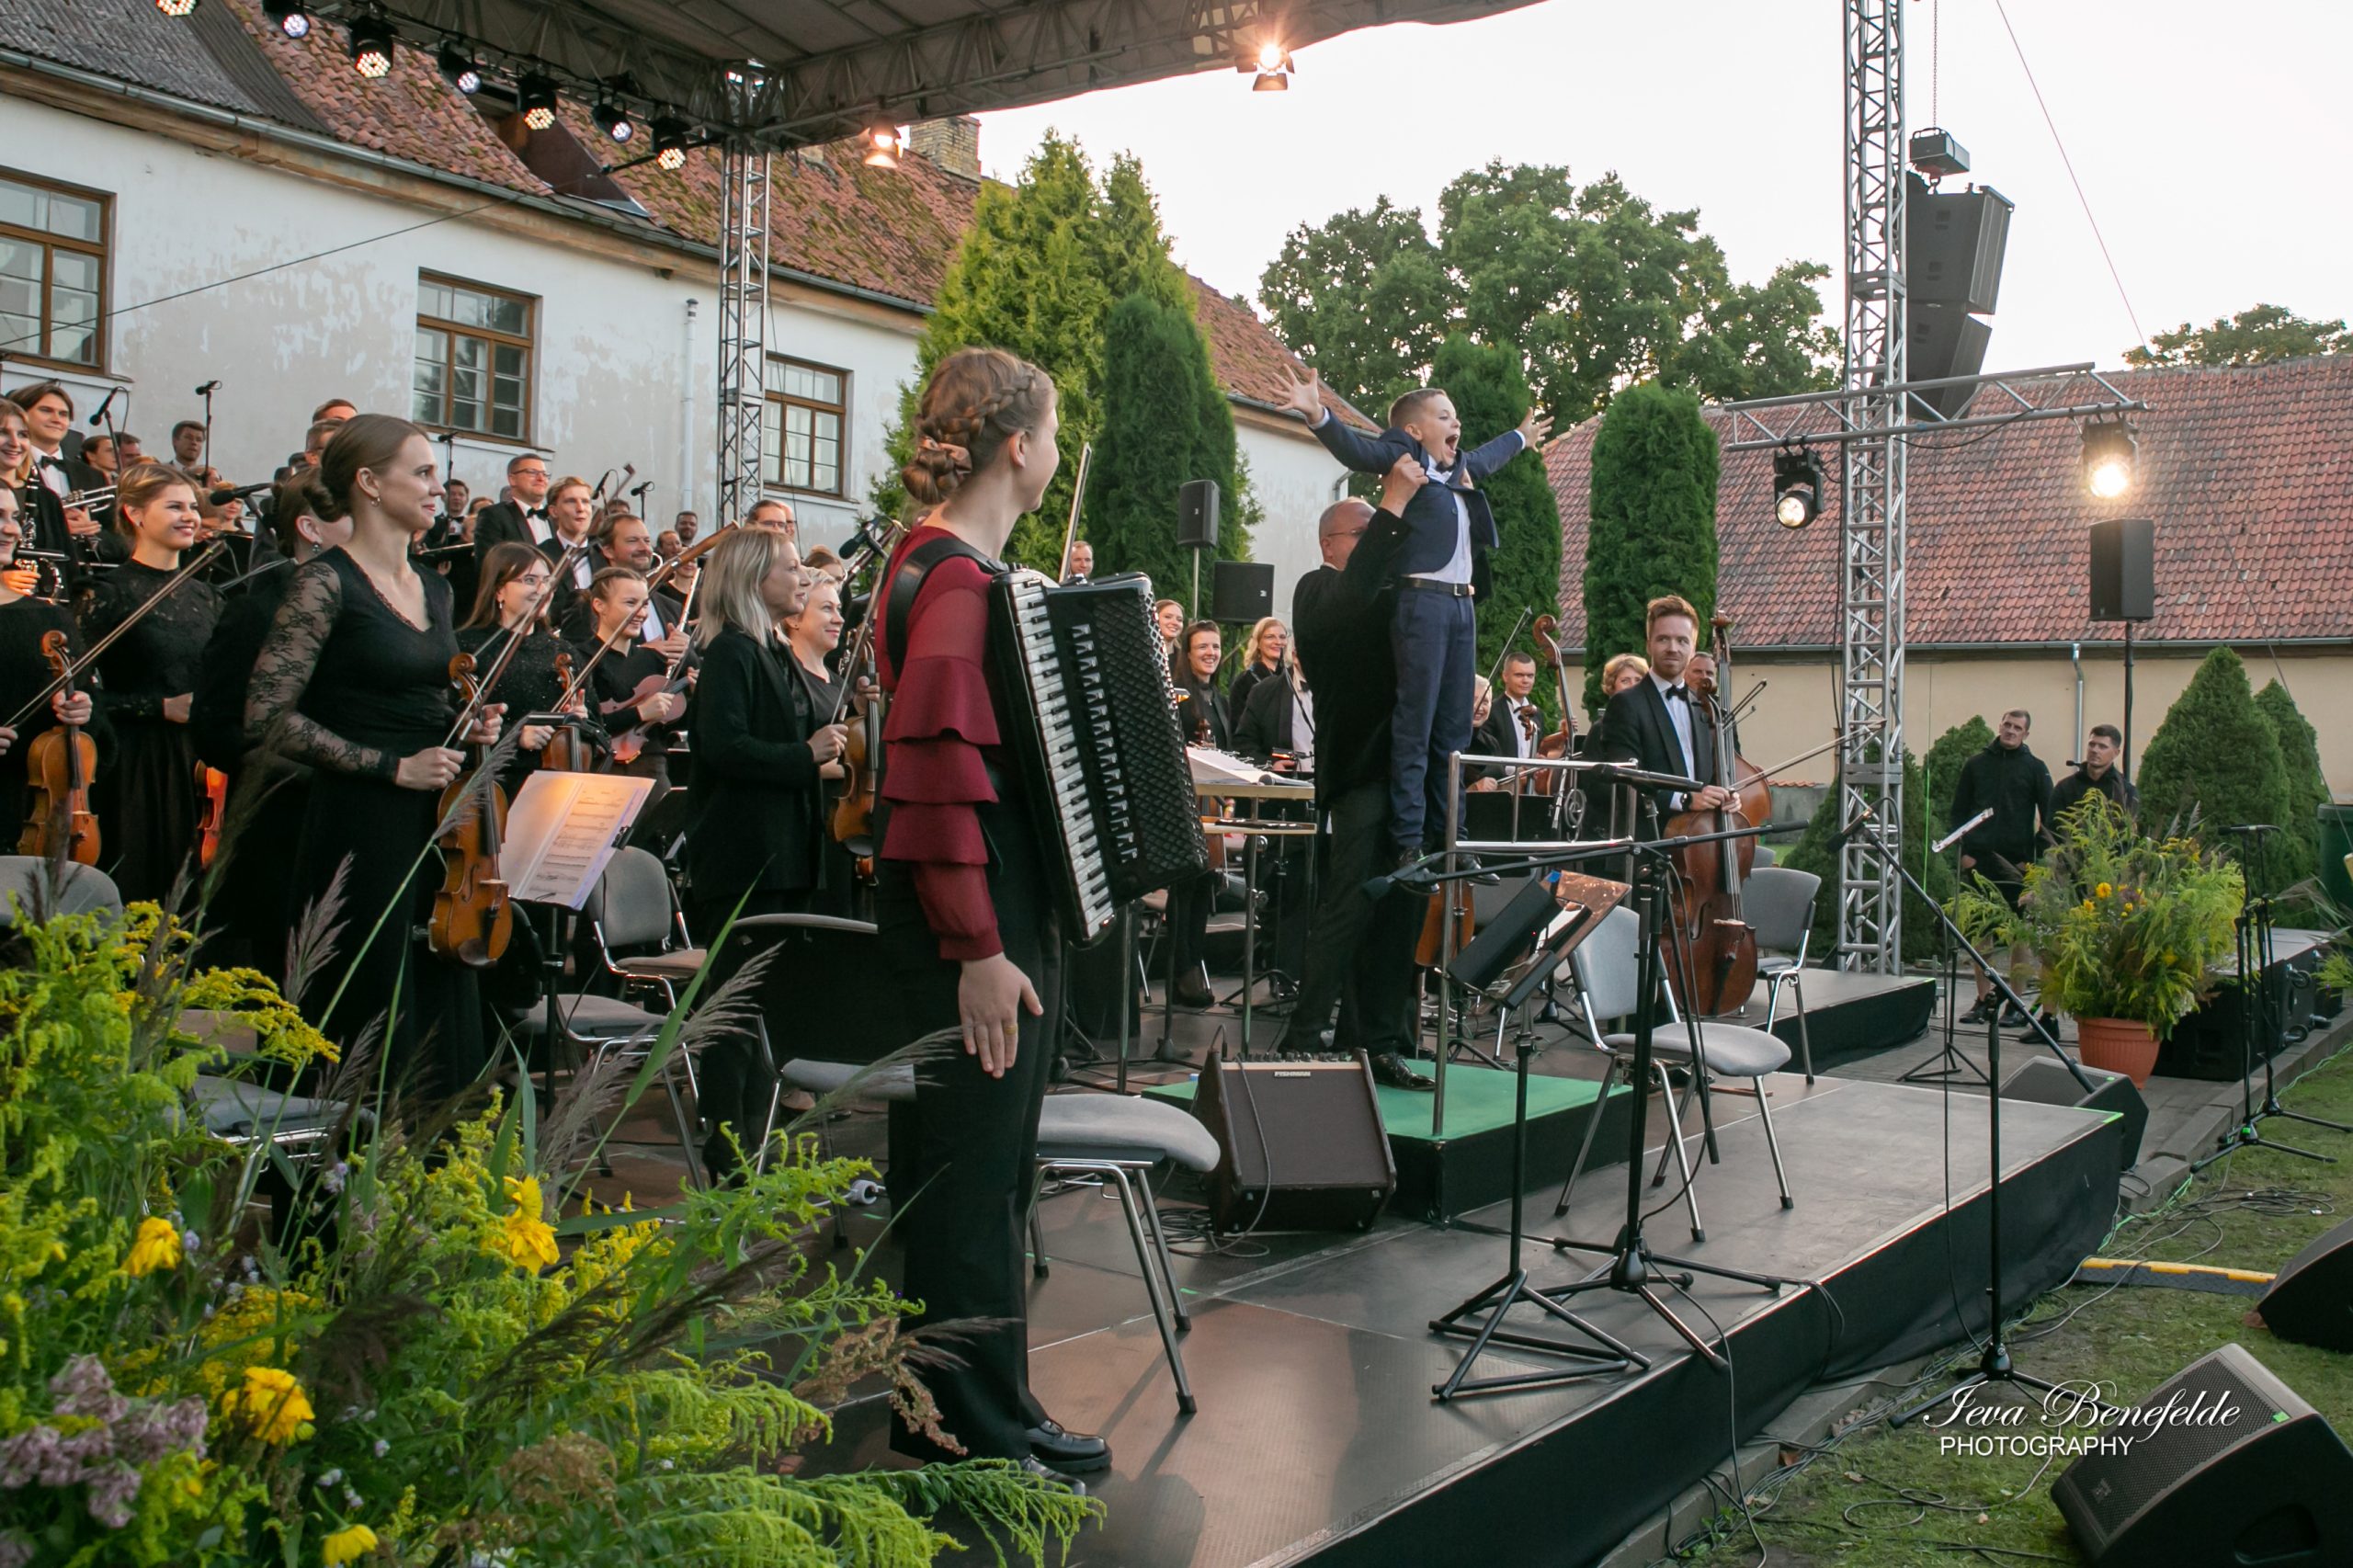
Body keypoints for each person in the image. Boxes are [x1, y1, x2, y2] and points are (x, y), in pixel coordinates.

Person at [870, 346, 1102, 1484]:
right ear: (1020, 447)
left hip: (986, 906)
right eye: (1051, 432)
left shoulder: (940, 563)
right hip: (975, 918)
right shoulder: (958, 581)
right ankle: (961, 1432)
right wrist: (979, 948)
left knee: (993, 1174)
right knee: (971, 1184)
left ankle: (991, 1406)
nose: (1055, 452)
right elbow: (929, 779)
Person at [244, 414, 502, 1086]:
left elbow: (427, 699)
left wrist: (468, 723)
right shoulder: (324, 582)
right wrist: (391, 768)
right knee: (367, 1000)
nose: (437, 488)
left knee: (436, 984)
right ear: (368, 482)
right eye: (421, 473)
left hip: (437, 822)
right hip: (360, 823)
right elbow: (266, 717)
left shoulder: (437, 586)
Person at [1280, 370, 1552, 861]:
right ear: (1413, 430)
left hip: (1459, 603)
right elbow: (1358, 451)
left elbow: (1487, 456)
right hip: (1422, 603)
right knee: (1417, 724)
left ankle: (1452, 837)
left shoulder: (1456, 470)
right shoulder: (1403, 456)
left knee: (1453, 731)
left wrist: (1521, 437)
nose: (1457, 424)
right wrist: (1318, 414)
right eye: (1444, 416)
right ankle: (1409, 838)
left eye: (1456, 417)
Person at [681, 527, 842, 1174]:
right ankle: (726, 1152)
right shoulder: (731, 652)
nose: (801, 577)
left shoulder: (771, 650)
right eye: (790, 567)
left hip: (780, 855)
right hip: (745, 858)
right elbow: (725, 747)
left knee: (761, 1011)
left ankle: (752, 1144)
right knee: (735, 1012)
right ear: (754, 579)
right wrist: (805, 755)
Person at [1269, 472, 1431, 1088]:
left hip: (1408, 774)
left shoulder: (1394, 589)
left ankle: (1377, 1040)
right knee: (1348, 906)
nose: (1379, 540)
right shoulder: (1318, 589)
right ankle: (1303, 1036)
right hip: (1362, 770)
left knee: (1401, 912)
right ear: (1329, 545)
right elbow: (1355, 596)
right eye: (1364, 533)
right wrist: (1393, 506)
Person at [188, 472, 349, 974]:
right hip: (284, 827)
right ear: (310, 528)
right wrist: (305, 765)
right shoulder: (256, 611)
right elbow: (214, 727)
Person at [82, 462, 223, 905]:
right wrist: (157, 707)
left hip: (201, 764)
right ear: (135, 513)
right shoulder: (107, 593)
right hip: (135, 764)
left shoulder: (209, 596)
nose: (190, 516)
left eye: (193, 507)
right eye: (174, 507)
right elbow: (79, 694)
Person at [0, 483, 103, 840]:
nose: (11, 529)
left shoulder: (51, 619)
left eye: (14, 517)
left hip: (30, 811)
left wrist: (84, 710)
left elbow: (95, 714)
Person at [1948, 708, 2053, 1027]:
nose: (2010, 731)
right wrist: (1964, 854)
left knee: (2019, 935)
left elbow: (2049, 817)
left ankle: (2016, 1005)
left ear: (2026, 734)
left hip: (2017, 866)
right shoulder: (1976, 764)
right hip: (1979, 862)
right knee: (1981, 934)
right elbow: (1958, 812)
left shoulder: (2035, 768)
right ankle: (1984, 1000)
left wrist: (2034, 860)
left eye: (2017, 727)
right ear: (2000, 726)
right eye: (2007, 724)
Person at [458, 542, 591, 792]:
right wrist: (514, 736)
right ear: (499, 590)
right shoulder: (469, 649)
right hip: (495, 788)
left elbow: (598, 727)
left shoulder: (563, 652)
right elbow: (454, 723)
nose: (542, 589)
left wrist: (582, 719)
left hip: (556, 785)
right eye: (530, 580)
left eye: (547, 581)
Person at [1590, 596, 1735, 823]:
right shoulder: (1626, 704)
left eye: (1682, 641)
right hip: (1651, 837)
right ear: (1648, 644)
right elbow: (1624, 782)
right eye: (1663, 639)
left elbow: (1711, 778)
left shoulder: (1703, 706)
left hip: (1700, 837)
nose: (1673, 648)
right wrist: (1684, 799)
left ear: (1693, 648)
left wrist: (1727, 795)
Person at [471, 452, 554, 564]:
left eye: (544, 474)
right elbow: (489, 566)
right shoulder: (494, 515)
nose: (541, 478)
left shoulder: (554, 516)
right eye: (532, 472)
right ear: (512, 479)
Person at [2051, 722, 2138, 823]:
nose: (2094, 750)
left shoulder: (2126, 792)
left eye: (2102, 746)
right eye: (2092, 744)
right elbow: (2052, 826)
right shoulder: (2065, 788)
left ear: (2116, 753)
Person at [1473, 650, 1542, 775]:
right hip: (1502, 783)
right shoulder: (1491, 711)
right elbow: (1484, 757)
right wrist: (1516, 771)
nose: (1525, 680)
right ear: (1505, 676)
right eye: (1519, 675)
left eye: (1530, 676)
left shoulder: (1537, 713)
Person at [537, 475, 600, 598]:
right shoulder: (540, 556)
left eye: (585, 502)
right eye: (571, 501)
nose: (580, 508)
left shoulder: (605, 553)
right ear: (554, 511)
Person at [1225, 616, 1290, 733]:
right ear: (1258, 643)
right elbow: (1237, 726)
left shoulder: (1291, 680)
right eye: (1270, 637)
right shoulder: (1245, 681)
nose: (1278, 642)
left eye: (1282, 637)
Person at [1154, 597, 1184, 667]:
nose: (1175, 623)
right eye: (1168, 617)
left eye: (1179, 620)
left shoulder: (1187, 661)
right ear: (1154, 618)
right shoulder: (1139, 654)